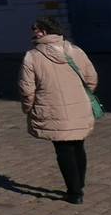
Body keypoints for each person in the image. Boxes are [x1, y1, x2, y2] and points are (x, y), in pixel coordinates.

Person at [19, 17, 99, 204]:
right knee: (78, 146)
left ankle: (74, 192)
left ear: (45, 31)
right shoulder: (76, 50)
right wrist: (82, 96)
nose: (34, 32)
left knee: (63, 150)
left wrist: (27, 108)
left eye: (37, 29)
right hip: (79, 106)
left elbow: (26, 89)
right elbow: (91, 77)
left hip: (51, 109)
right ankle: (79, 185)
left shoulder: (32, 56)